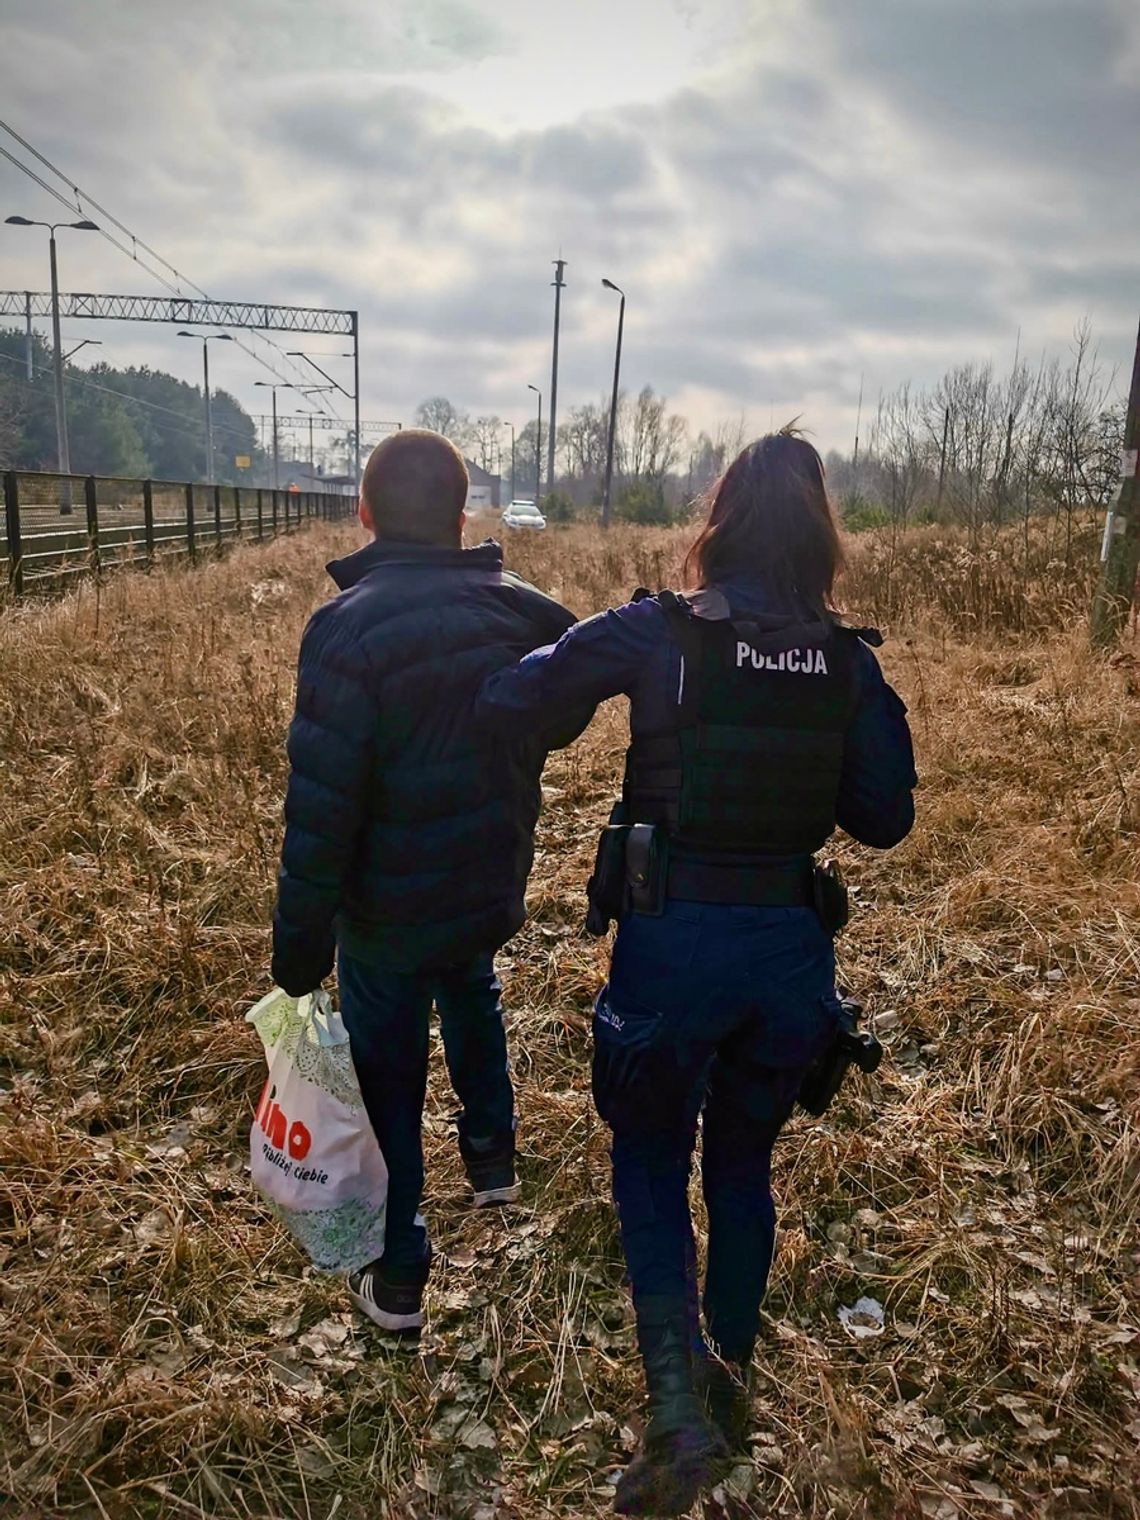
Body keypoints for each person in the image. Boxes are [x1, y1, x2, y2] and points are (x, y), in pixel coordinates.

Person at [478, 430, 916, 1517]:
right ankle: (724, 1382)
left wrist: (551, 642)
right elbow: (886, 817)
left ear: (714, 524)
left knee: (649, 1162)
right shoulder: (848, 662)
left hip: (672, 948)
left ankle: (680, 1409)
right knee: (742, 1169)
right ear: (822, 539)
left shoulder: (657, 633)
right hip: (784, 961)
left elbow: (515, 699)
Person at [271, 429, 584, 1337]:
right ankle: (492, 1160)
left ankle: (400, 1274)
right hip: (484, 888)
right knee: (471, 981)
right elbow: (574, 674)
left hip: (384, 916)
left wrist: (297, 956)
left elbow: (321, 810)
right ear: (460, 518)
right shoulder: (519, 613)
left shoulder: (344, 629)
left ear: (364, 515)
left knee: (387, 1076)